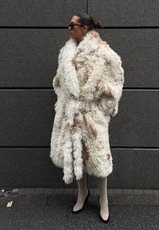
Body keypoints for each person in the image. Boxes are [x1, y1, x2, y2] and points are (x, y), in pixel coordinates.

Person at [50, 12, 125, 223]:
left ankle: (104, 200)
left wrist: (101, 105)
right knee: (77, 154)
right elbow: (58, 81)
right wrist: (64, 98)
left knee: (99, 157)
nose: (69, 28)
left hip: (92, 116)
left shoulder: (103, 52)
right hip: (71, 114)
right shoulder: (66, 52)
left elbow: (116, 82)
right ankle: (82, 193)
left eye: (72, 25)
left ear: (85, 28)